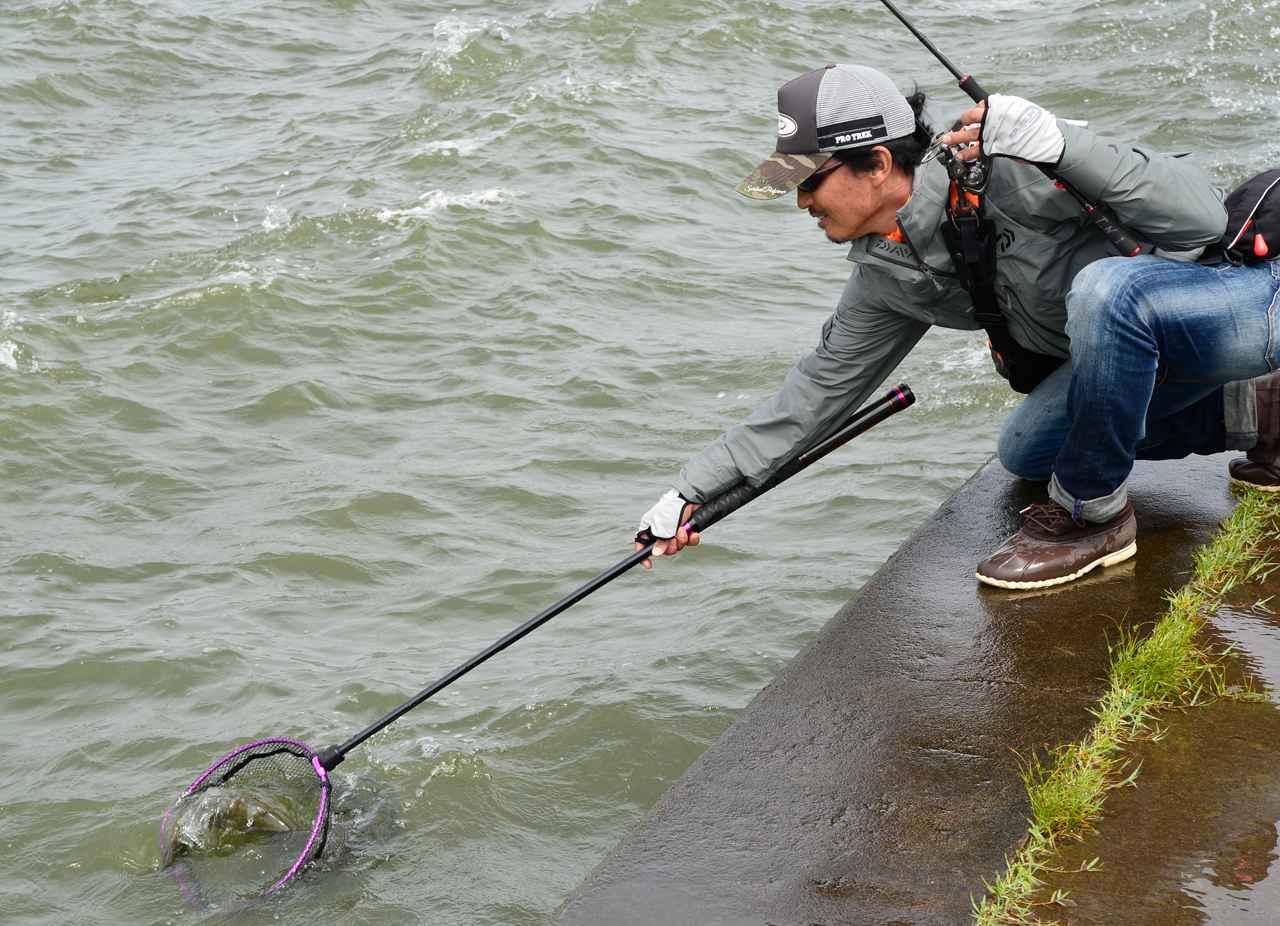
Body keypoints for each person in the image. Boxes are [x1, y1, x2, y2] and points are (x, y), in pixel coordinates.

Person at [634, 63, 1280, 590]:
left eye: (810, 181)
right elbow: (816, 393)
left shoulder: (1009, 167)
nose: (801, 201)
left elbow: (1201, 219)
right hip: (1147, 357)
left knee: (1105, 291)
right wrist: (692, 491)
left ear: (878, 164)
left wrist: (1060, 145)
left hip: (1238, 301)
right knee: (1027, 452)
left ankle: (1094, 520)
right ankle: (1265, 413)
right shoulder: (886, 275)